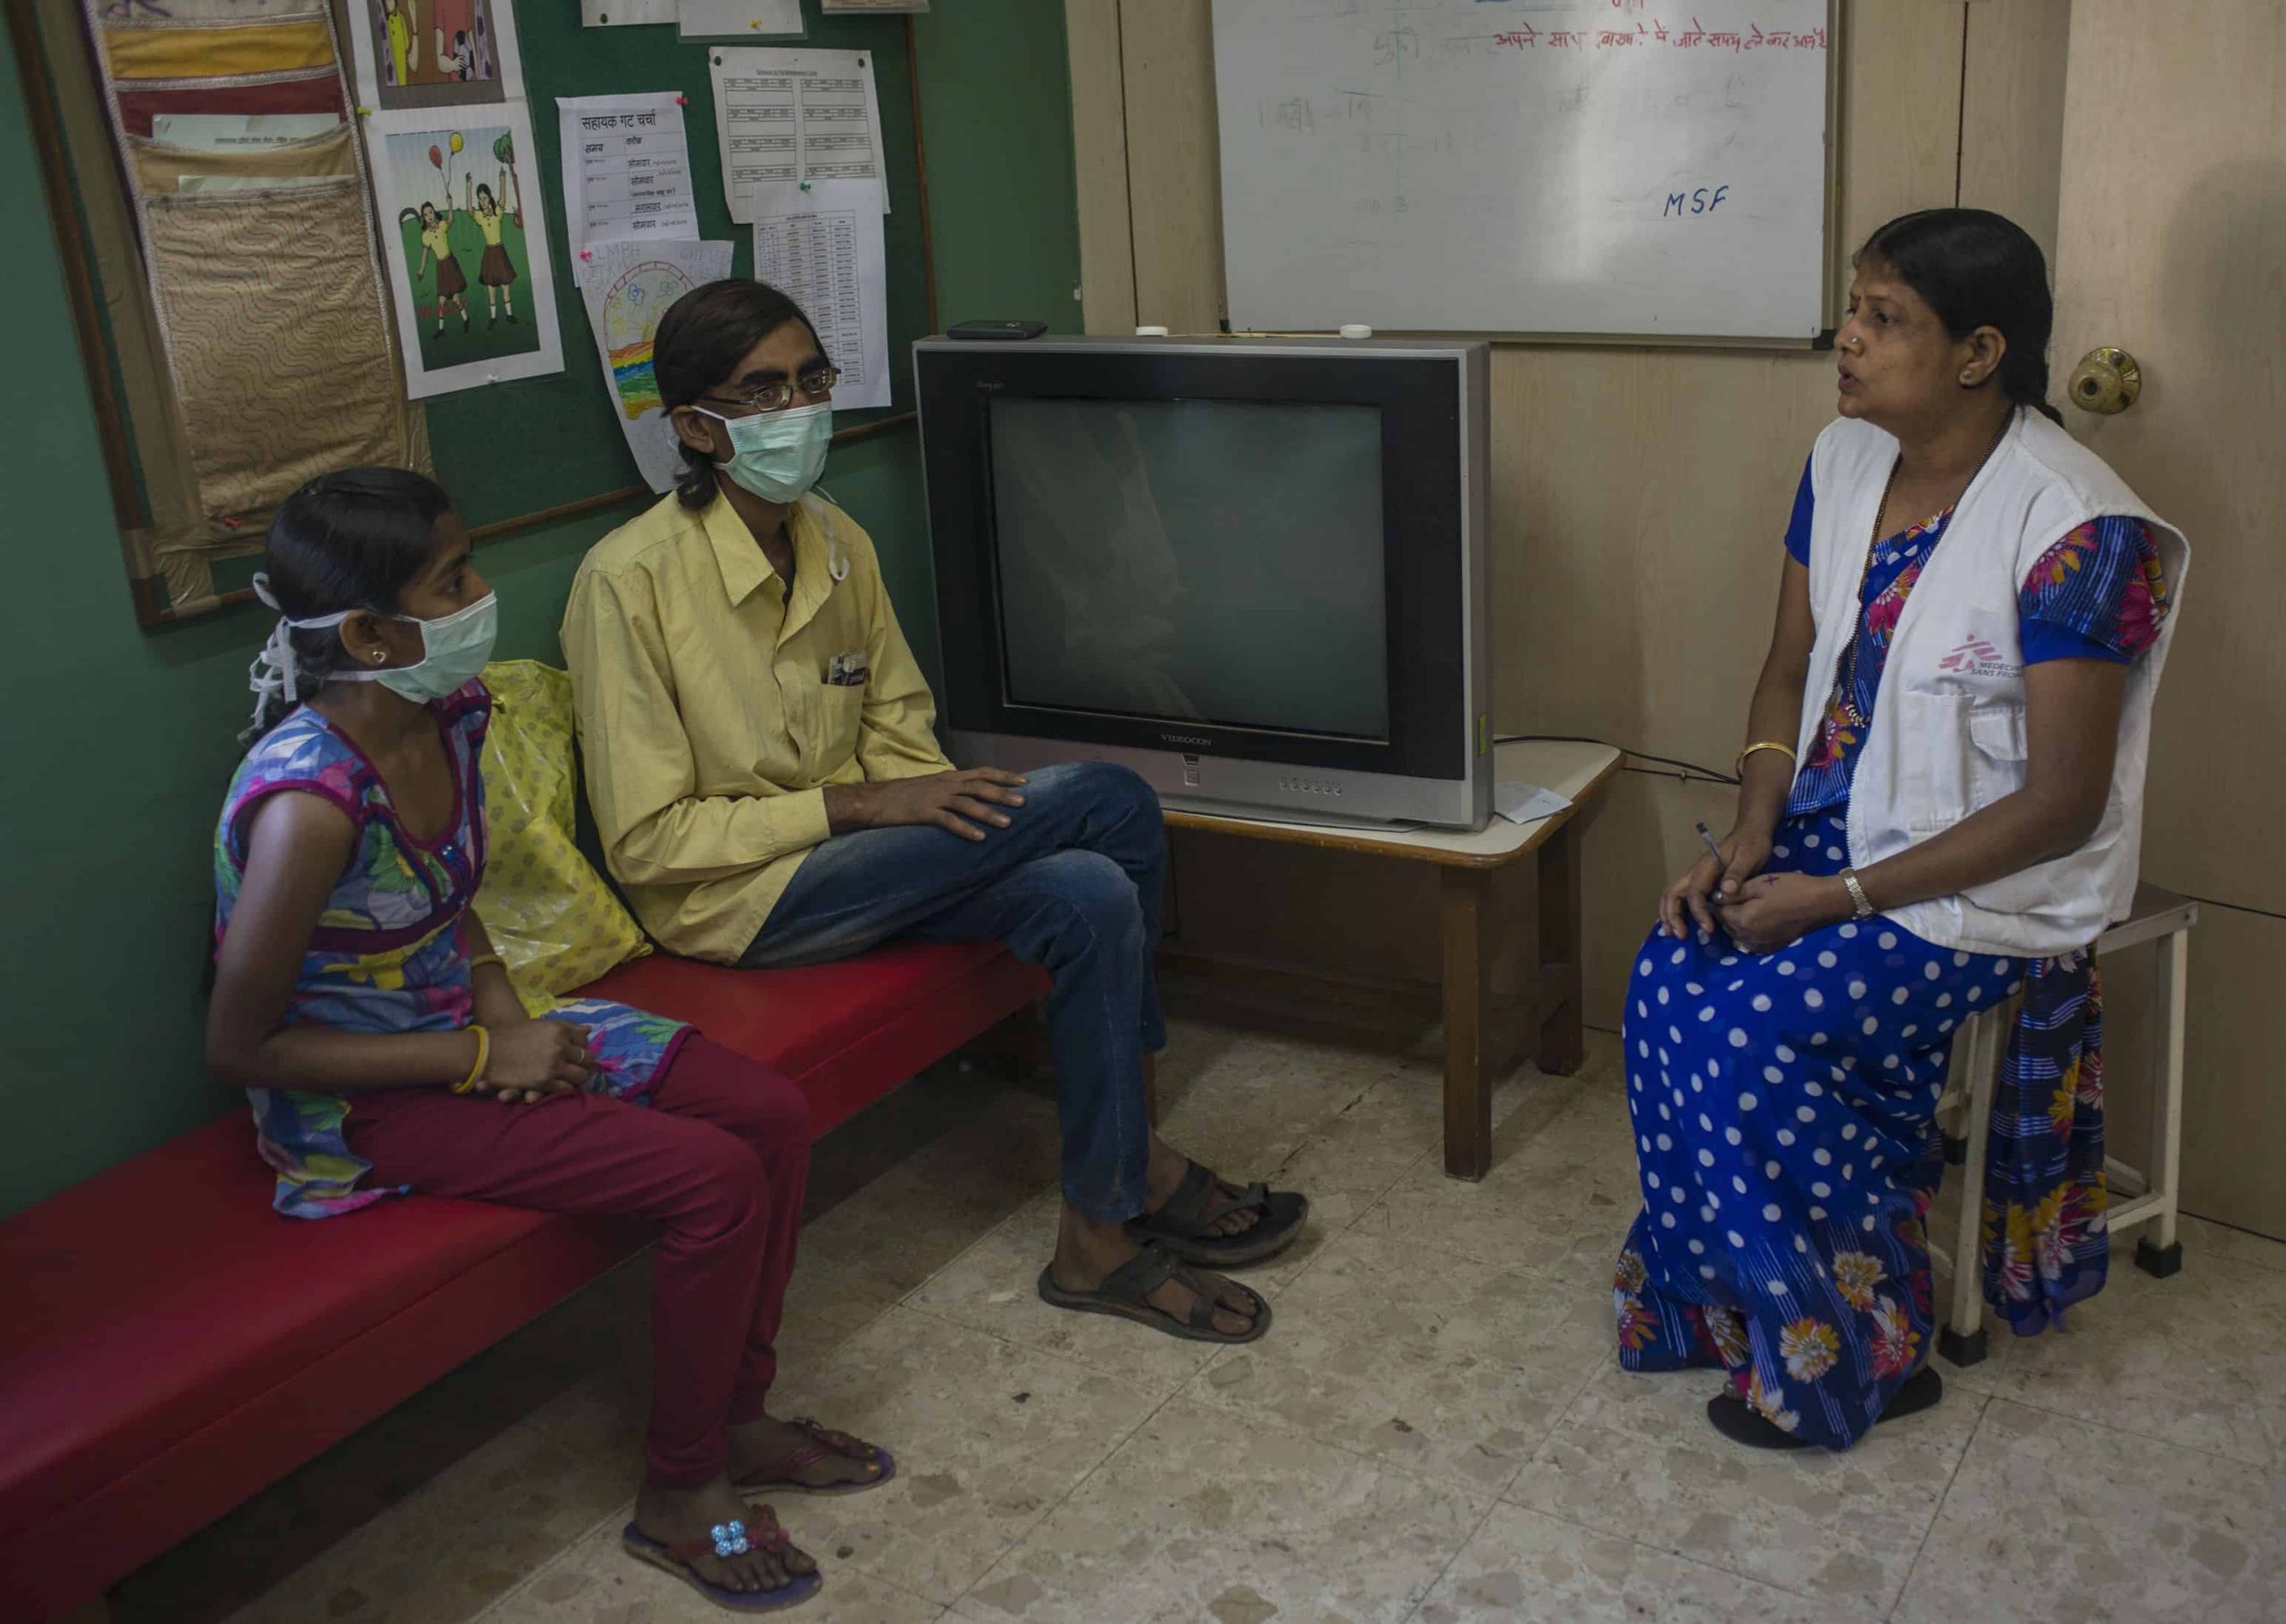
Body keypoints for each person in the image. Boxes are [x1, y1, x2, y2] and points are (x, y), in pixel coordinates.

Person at [561, 279, 1308, 1347]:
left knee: (1089, 890)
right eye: (761, 392)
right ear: (695, 427)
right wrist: (866, 804)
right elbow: (649, 843)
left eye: (810, 380)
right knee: (1108, 798)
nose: (798, 409)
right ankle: (1139, 1156)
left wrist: (923, 816)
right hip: (739, 899)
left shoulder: (835, 539)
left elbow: (899, 727)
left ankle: (1095, 1234)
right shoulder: (626, 583)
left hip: (877, 860)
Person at [207, 469, 897, 1612]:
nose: (483, 593)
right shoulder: (308, 807)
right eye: (453, 580)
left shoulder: (449, 717)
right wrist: (480, 1059)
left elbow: (446, 895)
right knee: (713, 1178)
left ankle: (739, 1416)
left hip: (471, 1032)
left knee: (771, 1113)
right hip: (361, 1102)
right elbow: (242, 1046)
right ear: (372, 635)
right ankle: (682, 1487)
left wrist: (499, 1009)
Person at [1612, 209, 2187, 1450]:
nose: (1849, 339)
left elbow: (2060, 804)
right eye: (1851, 308)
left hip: (1988, 879)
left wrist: (1834, 898)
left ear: (1979, 352)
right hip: (1830, 828)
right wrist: (1751, 833)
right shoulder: (1841, 462)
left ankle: (1857, 1349)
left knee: (1755, 1031)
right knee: (1666, 982)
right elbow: (1787, 670)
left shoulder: (2081, 529)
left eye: (1884, 318)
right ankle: (1723, 1303)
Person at [466, 170, 517, 326]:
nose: (482, 201)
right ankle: (493, 318)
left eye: (485, 197)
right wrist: (468, 186)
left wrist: (502, 180)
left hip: (499, 251)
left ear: (489, 197)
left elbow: (503, 200)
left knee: (505, 285)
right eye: (480, 198)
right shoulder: (480, 217)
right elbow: (469, 210)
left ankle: (509, 315)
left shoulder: (497, 213)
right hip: (489, 253)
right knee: (491, 287)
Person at [412, 198, 469, 336]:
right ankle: (441, 329)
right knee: (441, 301)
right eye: (426, 214)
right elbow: (425, 253)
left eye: (430, 212)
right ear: (424, 218)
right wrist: (421, 268)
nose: (429, 216)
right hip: (441, 267)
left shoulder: (442, 225)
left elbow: (451, 219)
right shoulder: (426, 236)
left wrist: (450, 205)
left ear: (434, 212)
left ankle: (466, 319)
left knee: (456, 298)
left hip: (450, 264)